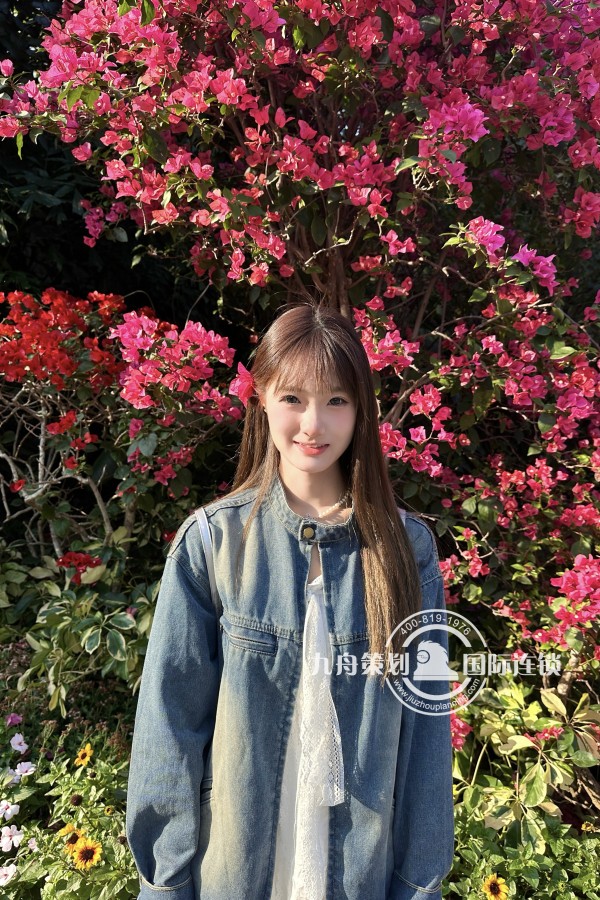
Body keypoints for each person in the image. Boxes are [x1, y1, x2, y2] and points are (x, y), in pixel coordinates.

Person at [125, 303, 455, 900]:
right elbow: (168, 726)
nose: (313, 423)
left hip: (359, 869)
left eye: (336, 400)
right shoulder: (213, 544)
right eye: (293, 398)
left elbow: (425, 738)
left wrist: (418, 883)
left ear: (361, 410)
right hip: (238, 865)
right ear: (262, 400)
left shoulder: (407, 551)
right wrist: (165, 884)